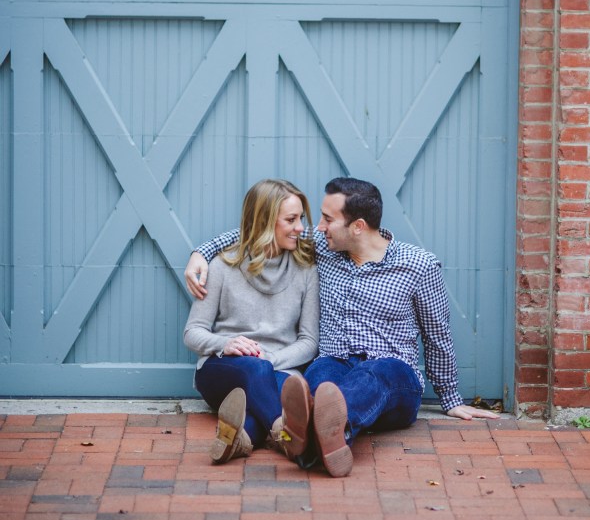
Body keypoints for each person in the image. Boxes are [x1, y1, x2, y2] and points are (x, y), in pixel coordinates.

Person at [185, 177, 499, 477]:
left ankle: (306, 434)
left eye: (326, 219)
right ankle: (321, 444)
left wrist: (451, 398)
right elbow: (260, 229)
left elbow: (437, 334)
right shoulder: (323, 247)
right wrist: (201, 252)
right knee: (322, 387)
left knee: (372, 374)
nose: (317, 228)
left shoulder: (418, 265)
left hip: (392, 375)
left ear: (358, 227)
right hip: (333, 363)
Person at [183, 178, 319, 464]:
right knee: (260, 375)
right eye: (291, 220)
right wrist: (226, 343)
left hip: (278, 367)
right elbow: (192, 333)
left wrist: (270, 359)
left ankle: (240, 438)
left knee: (270, 381)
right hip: (224, 369)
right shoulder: (222, 265)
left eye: (301, 219)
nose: (301, 228)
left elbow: (309, 341)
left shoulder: (306, 269)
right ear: (265, 222)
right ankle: (298, 447)